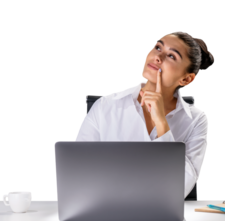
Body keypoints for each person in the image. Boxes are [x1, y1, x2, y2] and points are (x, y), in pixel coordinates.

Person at [76, 29, 215, 198]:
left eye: (172, 56)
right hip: (107, 212)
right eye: (158, 47)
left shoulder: (196, 120)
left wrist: (161, 123)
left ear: (186, 79)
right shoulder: (106, 105)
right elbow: (77, 174)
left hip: (165, 219)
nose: (158, 57)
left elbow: (181, 188)